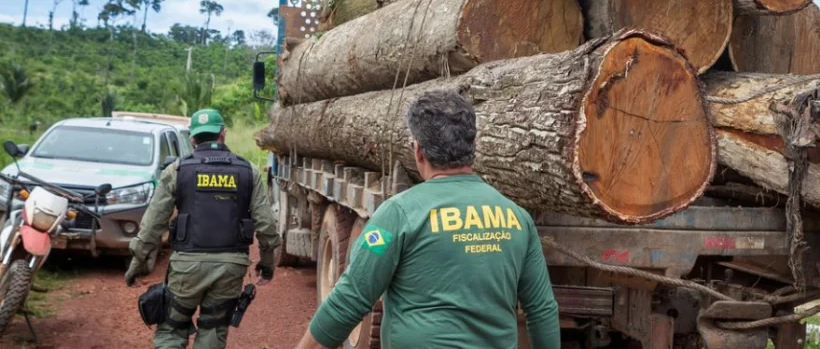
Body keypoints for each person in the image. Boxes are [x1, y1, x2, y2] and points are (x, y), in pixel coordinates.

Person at [295, 89, 560, 349]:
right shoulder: (517, 218)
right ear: (474, 145)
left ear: (418, 150)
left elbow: (350, 299)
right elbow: (541, 309)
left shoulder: (397, 215)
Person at [125, 108, 281, 349]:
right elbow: (267, 227)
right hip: (231, 268)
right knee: (213, 330)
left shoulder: (177, 171)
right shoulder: (248, 171)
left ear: (192, 139)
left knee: (171, 329)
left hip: (186, 266)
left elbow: (152, 225)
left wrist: (136, 265)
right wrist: (267, 265)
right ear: (223, 134)